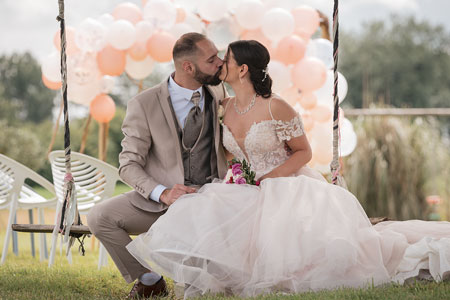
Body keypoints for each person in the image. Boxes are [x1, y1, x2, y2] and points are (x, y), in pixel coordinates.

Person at [126, 40, 450, 298]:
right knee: (200, 208)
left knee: (304, 253)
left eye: (225, 58)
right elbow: (231, 154)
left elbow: (304, 152)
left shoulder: (275, 106)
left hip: (286, 184)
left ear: (242, 69)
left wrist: (270, 178)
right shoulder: (223, 105)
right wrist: (240, 177)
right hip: (244, 186)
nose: (220, 64)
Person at [87, 32, 228, 299]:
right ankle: (149, 279)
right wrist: (163, 193)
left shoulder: (219, 90)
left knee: (194, 291)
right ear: (188, 67)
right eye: (212, 59)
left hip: (209, 199)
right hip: (163, 201)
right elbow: (128, 164)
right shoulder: (144, 104)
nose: (220, 63)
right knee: (99, 217)